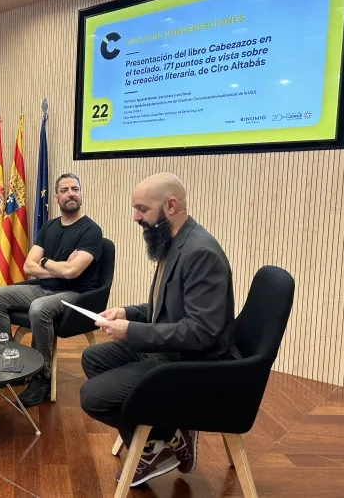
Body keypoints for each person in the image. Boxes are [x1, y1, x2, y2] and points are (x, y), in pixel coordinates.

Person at [79, 172, 239, 488]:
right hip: (174, 348)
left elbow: (201, 332)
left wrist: (131, 331)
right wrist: (128, 313)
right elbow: (166, 307)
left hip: (195, 363)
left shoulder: (201, 252)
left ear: (170, 205)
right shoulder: (174, 241)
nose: (135, 217)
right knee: (93, 360)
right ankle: (165, 438)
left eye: (142, 209)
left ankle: (160, 439)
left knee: (93, 397)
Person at [0, 173, 103, 407]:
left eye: (75, 189)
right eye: (65, 190)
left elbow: (72, 274)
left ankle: (41, 377)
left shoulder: (91, 231)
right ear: (56, 197)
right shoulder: (50, 227)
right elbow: (29, 266)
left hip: (76, 295)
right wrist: (57, 266)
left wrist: (45, 262)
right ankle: (8, 363)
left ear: (81, 193)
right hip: (42, 288)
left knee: (39, 309)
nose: (71, 194)